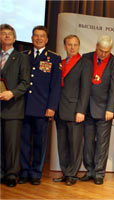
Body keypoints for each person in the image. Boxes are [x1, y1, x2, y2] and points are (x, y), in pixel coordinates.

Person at [18, 26, 61, 185]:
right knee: (23, 142)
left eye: (41, 36)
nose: (38, 38)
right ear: (31, 38)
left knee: (39, 142)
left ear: (47, 39)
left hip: (42, 108)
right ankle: (23, 171)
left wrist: (51, 107)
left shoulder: (54, 58)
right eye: (36, 36)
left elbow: (56, 86)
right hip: (23, 107)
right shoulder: (23, 56)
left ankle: (36, 173)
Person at [80, 35, 114, 185]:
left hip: (105, 110)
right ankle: (89, 170)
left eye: (106, 51)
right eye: (101, 50)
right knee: (88, 142)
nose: (103, 54)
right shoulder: (86, 58)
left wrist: (111, 108)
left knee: (102, 143)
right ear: (96, 46)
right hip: (87, 108)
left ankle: (99, 173)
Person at [53, 35, 92, 186]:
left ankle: (72, 174)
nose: (72, 47)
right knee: (62, 144)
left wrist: (81, 110)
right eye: (69, 44)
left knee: (75, 145)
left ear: (79, 46)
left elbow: (85, 89)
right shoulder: (61, 63)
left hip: (75, 110)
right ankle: (65, 172)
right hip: (60, 110)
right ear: (64, 46)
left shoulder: (84, 63)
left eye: (75, 45)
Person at [0, 24, 30, 187]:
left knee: (12, 144)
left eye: (9, 34)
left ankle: (11, 174)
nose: (6, 36)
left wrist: (11, 93)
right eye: (3, 34)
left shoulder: (21, 57)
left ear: (14, 37)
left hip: (13, 107)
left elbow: (26, 83)